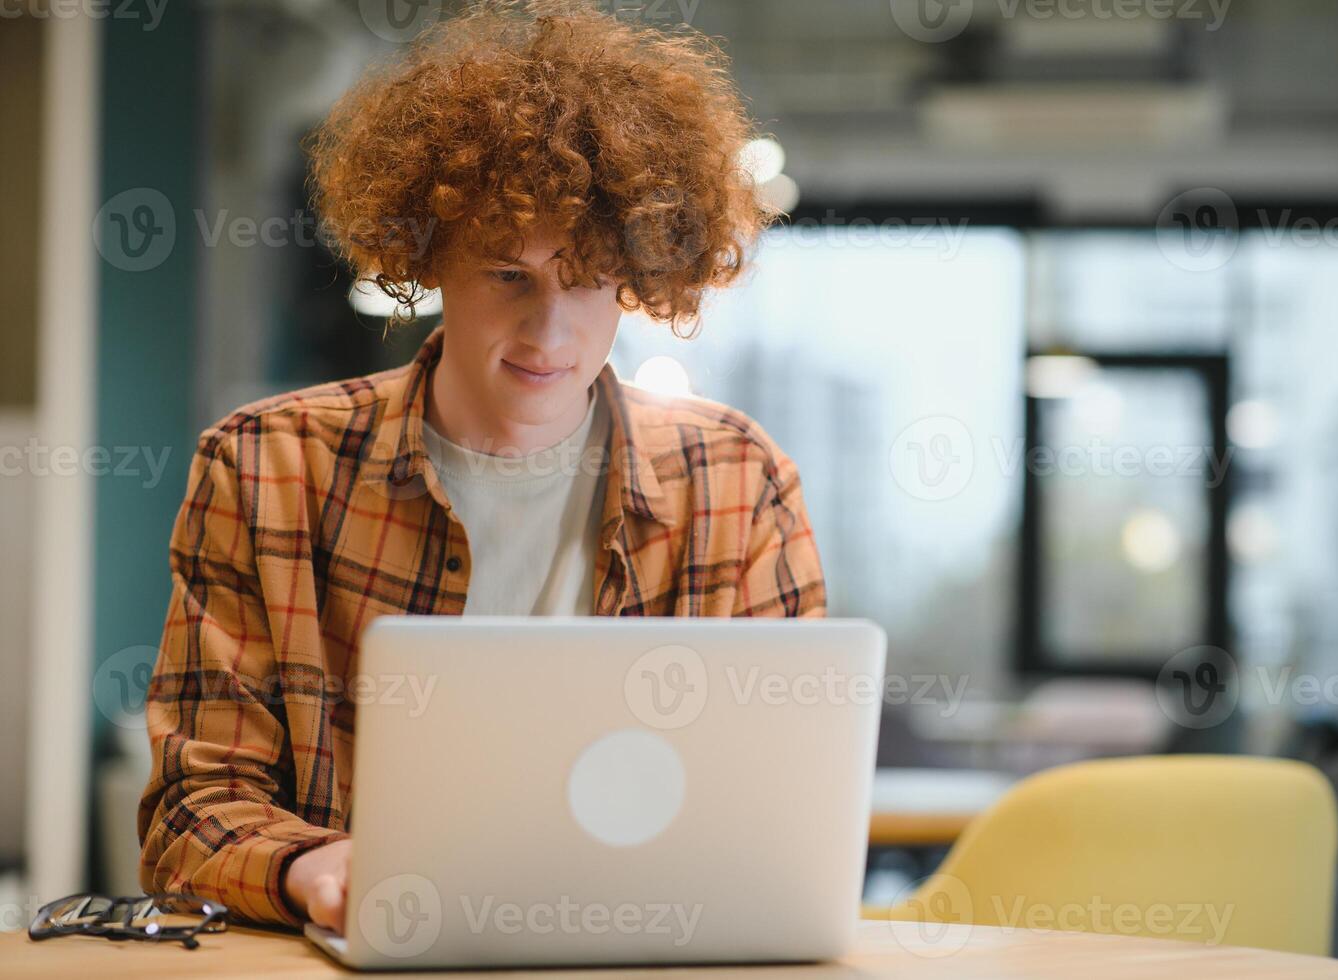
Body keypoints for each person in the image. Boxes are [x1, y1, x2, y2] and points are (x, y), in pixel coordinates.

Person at [137, 0, 825, 934]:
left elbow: (784, 807)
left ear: (636, 276)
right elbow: (191, 811)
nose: (549, 331)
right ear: (427, 258)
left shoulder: (736, 484)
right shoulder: (267, 470)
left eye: (586, 280)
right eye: (509, 274)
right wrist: (311, 867)